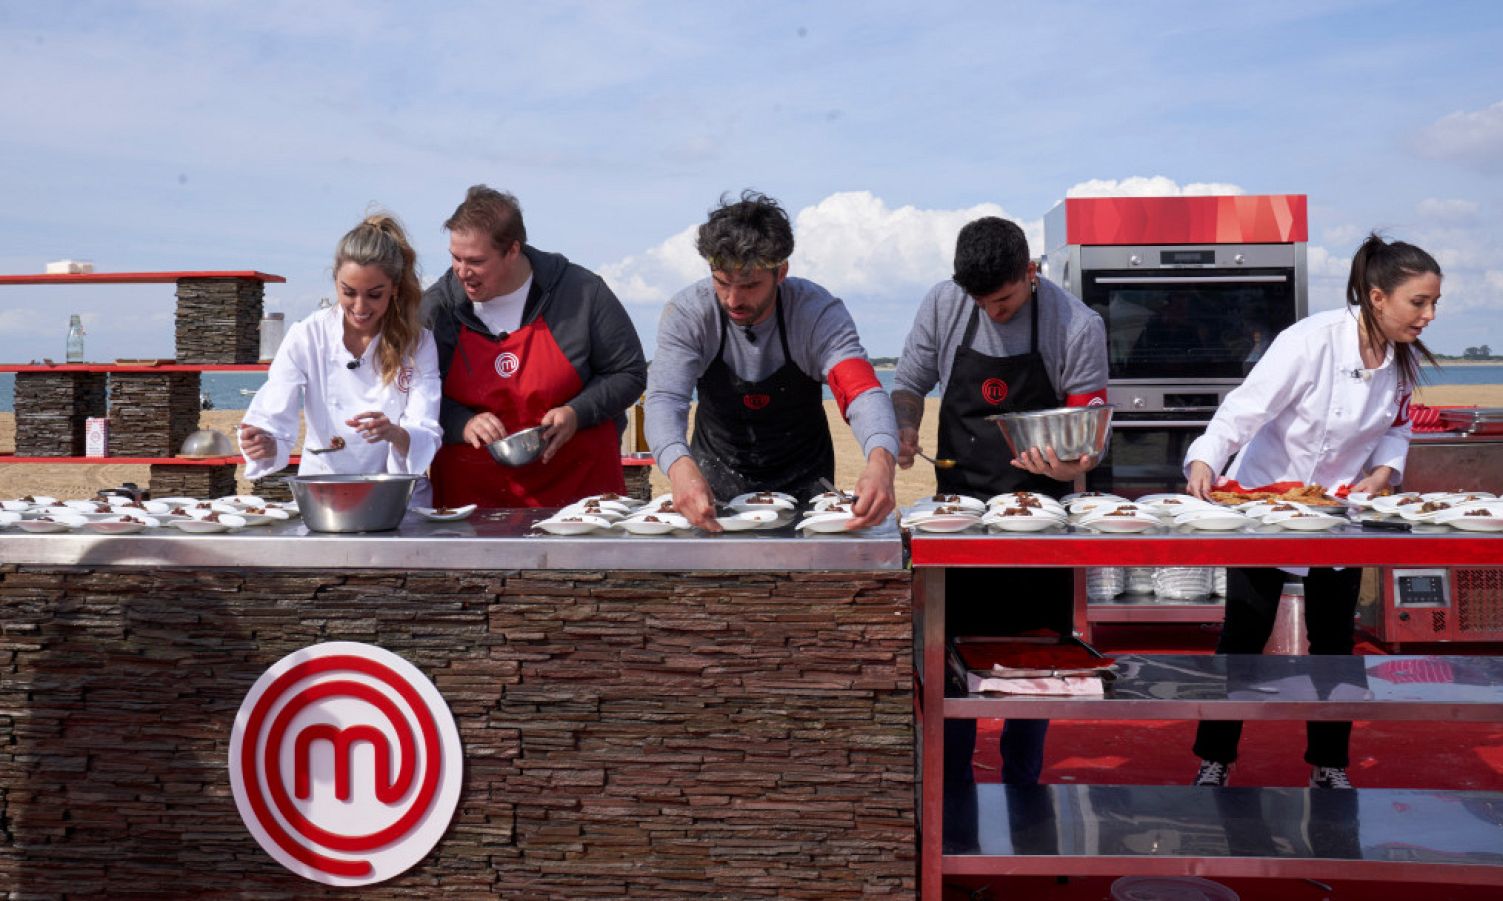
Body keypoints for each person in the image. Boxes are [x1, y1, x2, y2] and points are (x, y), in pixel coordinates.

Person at [1184, 233, 1442, 790]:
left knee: (1334, 644)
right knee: (1244, 637)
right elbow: (1244, 410)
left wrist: (1385, 471)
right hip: (1267, 503)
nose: (1429, 316)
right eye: (1419, 302)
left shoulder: (1399, 360)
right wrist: (1206, 458)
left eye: (1433, 303)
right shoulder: (1309, 342)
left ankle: (1330, 765)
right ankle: (1215, 758)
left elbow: (1397, 427)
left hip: (1339, 511)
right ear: (1378, 298)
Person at [891, 216, 1108, 785]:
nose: (991, 312)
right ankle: (952, 788)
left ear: (1030, 273)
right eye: (980, 302)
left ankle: (1023, 786)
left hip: (1041, 519)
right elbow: (909, 383)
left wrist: (1071, 465)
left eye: (1004, 301)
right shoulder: (943, 303)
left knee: (1036, 663)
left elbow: (1089, 438)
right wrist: (905, 427)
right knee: (948, 664)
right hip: (955, 521)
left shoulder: (1076, 325)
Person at [644, 190, 897, 531]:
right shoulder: (688, 313)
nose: (733, 300)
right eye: (721, 282)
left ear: (781, 272)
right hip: (713, 481)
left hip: (807, 483)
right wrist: (678, 466)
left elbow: (860, 390)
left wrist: (881, 460)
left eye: (750, 285)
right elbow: (664, 399)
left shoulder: (817, 313)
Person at [423, 185, 646, 508]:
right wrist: (462, 422)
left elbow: (629, 373)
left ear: (513, 250)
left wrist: (577, 413)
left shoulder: (582, 293)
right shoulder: (437, 308)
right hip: (470, 502)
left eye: (476, 261)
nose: (462, 272)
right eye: (455, 258)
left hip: (581, 496)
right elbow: (410, 393)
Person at [240, 214, 442, 503]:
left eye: (374, 295)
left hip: (400, 498)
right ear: (336, 282)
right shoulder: (308, 335)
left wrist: (394, 433)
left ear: (394, 288)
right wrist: (266, 443)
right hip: (326, 493)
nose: (360, 307)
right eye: (349, 293)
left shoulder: (417, 343)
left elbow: (426, 429)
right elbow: (274, 408)